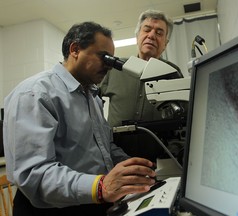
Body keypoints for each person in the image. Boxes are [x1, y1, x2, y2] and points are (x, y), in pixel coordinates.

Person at [3, 21, 156, 216]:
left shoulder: (92, 96)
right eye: (104, 57)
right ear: (75, 49)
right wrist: (100, 187)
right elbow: (34, 175)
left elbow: (105, 148)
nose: (109, 66)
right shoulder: (35, 94)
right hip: (51, 209)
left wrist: (132, 168)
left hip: (93, 200)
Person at [99, 9, 183, 162]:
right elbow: (90, 101)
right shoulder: (115, 68)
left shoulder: (172, 73)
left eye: (159, 33)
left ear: (165, 43)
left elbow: (183, 122)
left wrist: (172, 155)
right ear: (137, 36)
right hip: (115, 160)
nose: (151, 35)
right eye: (147, 30)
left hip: (158, 163)